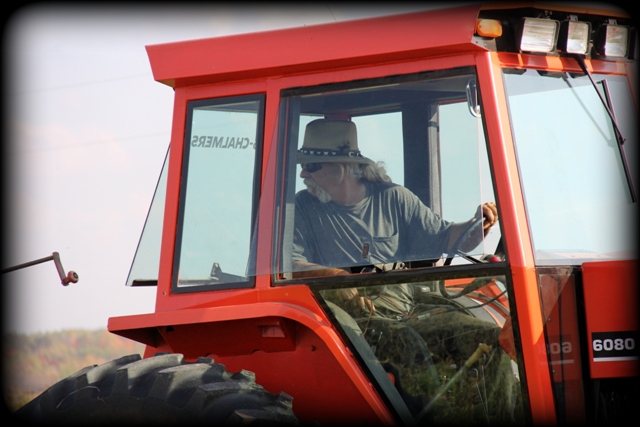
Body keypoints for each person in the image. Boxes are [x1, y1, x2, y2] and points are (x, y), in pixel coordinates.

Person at [291, 118, 521, 424]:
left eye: (311, 165)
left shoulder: (393, 198)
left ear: (342, 166)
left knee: (490, 339)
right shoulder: (302, 208)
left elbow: (444, 238)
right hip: (350, 318)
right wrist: (337, 280)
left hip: (407, 307)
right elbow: (290, 264)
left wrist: (477, 223)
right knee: (409, 344)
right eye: (305, 165)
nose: (303, 173)